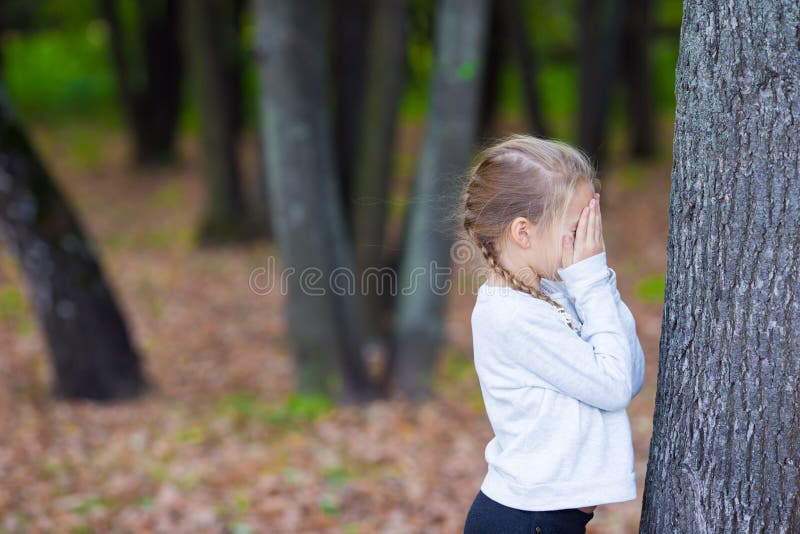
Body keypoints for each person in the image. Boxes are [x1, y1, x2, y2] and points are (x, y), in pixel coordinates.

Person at [458, 134, 646, 533]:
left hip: (545, 519)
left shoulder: (557, 292)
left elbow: (627, 375)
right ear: (523, 233)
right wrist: (591, 282)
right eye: (577, 229)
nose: (588, 244)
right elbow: (613, 387)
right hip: (525, 521)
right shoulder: (511, 316)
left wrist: (597, 283)